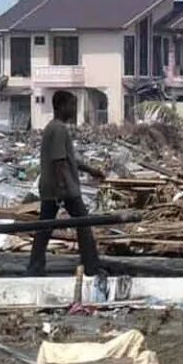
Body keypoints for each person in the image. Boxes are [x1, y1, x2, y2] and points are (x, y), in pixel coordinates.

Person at [27, 90, 106, 276]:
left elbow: (70, 160)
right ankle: (91, 266)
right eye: (71, 105)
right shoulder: (59, 129)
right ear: (61, 106)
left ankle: (35, 266)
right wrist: (62, 189)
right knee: (83, 224)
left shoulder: (53, 127)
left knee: (44, 227)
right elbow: (59, 162)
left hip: (51, 188)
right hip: (63, 188)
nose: (73, 109)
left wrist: (91, 170)